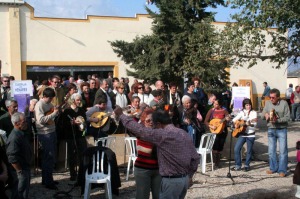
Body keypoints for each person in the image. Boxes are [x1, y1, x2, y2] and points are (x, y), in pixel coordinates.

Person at [114, 108, 199, 199]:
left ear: (158, 124)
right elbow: (195, 158)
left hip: (171, 181)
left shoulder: (163, 134)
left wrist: (121, 115)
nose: (153, 126)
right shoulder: (183, 133)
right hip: (183, 179)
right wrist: (189, 176)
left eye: (154, 124)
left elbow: (139, 130)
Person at [34, 87, 59, 190]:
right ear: (44, 96)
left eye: (52, 98)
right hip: (45, 134)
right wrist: (54, 114)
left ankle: (47, 179)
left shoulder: (50, 104)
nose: (51, 100)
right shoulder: (39, 105)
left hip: (52, 131)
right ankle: (48, 182)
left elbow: (51, 116)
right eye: (50, 98)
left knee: (49, 158)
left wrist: (56, 112)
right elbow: (40, 120)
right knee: (48, 157)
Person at [262, 88, 290, 177]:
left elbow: (287, 117)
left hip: (281, 129)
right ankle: (273, 168)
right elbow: (262, 113)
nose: (271, 99)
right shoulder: (268, 103)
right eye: (270, 97)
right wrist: (265, 115)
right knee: (271, 150)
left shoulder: (284, 104)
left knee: (283, 151)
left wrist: (278, 120)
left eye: (273, 97)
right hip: (271, 129)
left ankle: (282, 170)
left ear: (278, 97)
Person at [134, 108, 161, 199]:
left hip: (157, 169)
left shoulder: (158, 132)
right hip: (143, 169)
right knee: (142, 196)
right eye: (148, 120)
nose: (151, 122)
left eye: (153, 120)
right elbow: (148, 150)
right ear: (143, 121)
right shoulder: (141, 132)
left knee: (159, 196)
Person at [60, 93, 87, 181]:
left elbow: (84, 120)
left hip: (80, 135)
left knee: (82, 154)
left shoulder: (81, 110)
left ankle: (82, 173)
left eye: (80, 100)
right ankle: (73, 174)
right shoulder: (67, 111)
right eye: (77, 100)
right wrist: (71, 123)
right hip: (71, 135)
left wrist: (82, 124)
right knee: (72, 155)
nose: (79, 102)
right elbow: (63, 124)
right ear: (73, 101)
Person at [6, 112, 33, 199]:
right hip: (21, 170)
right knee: (20, 193)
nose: (26, 123)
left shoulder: (21, 133)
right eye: (24, 121)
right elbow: (12, 157)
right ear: (17, 123)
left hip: (25, 168)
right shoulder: (14, 137)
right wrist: (20, 171)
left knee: (24, 191)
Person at [231, 98, 257, 171]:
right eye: (247, 105)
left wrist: (249, 123)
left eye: (249, 105)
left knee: (249, 151)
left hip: (251, 134)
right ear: (244, 106)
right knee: (236, 149)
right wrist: (236, 124)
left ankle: (247, 165)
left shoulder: (253, 113)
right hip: (242, 134)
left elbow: (254, 124)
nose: (248, 106)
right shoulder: (242, 112)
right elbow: (234, 120)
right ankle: (238, 165)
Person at [204, 99, 230, 168]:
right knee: (215, 146)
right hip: (214, 131)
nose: (215, 105)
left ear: (220, 105)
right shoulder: (211, 111)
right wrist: (211, 126)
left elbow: (228, 119)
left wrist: (228, 119)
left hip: (223, 131)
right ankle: (214, 162)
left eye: (216, 104)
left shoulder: (224, 111)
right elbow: (206, 121)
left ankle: (218, 162)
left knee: (220, 147)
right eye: (214, 104)